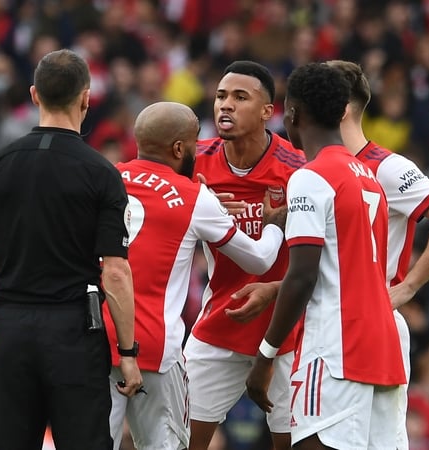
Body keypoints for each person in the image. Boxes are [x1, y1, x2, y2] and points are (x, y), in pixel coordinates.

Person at [239, 60, 429, 449]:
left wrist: (409, 287)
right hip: (377, 334)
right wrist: (276, 286)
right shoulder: (364, 174)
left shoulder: (380, 168)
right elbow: (346, 262)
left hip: (340, 336)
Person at [0, 48, 143, 450]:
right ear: (86, 98)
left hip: (11, 331)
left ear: (34, 94)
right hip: (75, 332)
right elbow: (115, 271)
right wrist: (128, 352)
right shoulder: (102, 174)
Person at [107, 101, 287, 450]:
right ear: (179, 149)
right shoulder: (195, 197)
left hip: (100, 341)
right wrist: (273, 225)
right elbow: (259, 260)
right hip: (157, 349)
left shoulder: (105, 178)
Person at [245, 62, 406, 449]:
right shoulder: (368, 176)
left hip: (336, 349)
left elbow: (304, 275)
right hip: (384, 347)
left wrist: (265, 357)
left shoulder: (310, 176)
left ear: (293, 113)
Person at [184, 60, 306, 450]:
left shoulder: (298, 170)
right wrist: (199, 207)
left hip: (288, 331)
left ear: (268, 111)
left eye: (240, 97)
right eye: (221, 96)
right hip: (221, 321)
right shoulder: (195, 164)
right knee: (181, 440)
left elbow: (326, 258)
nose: (226, 105)